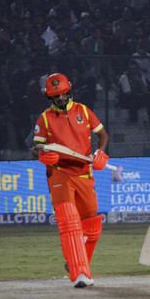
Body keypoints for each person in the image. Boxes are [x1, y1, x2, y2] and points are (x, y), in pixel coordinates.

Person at [33, 73, 109, 288]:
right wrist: (42, 155)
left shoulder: (83, 111)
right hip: (59, 173)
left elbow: (103, 135)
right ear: (50, 97)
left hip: (84, 173)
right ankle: (80, 273)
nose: (60, 97)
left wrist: (100, 153)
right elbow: (36, 147)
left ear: (69, 90)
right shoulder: (45, 118)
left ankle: (77, 263)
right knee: (69, 221)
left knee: (92, 226)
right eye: (55, 95)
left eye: (62, 93)